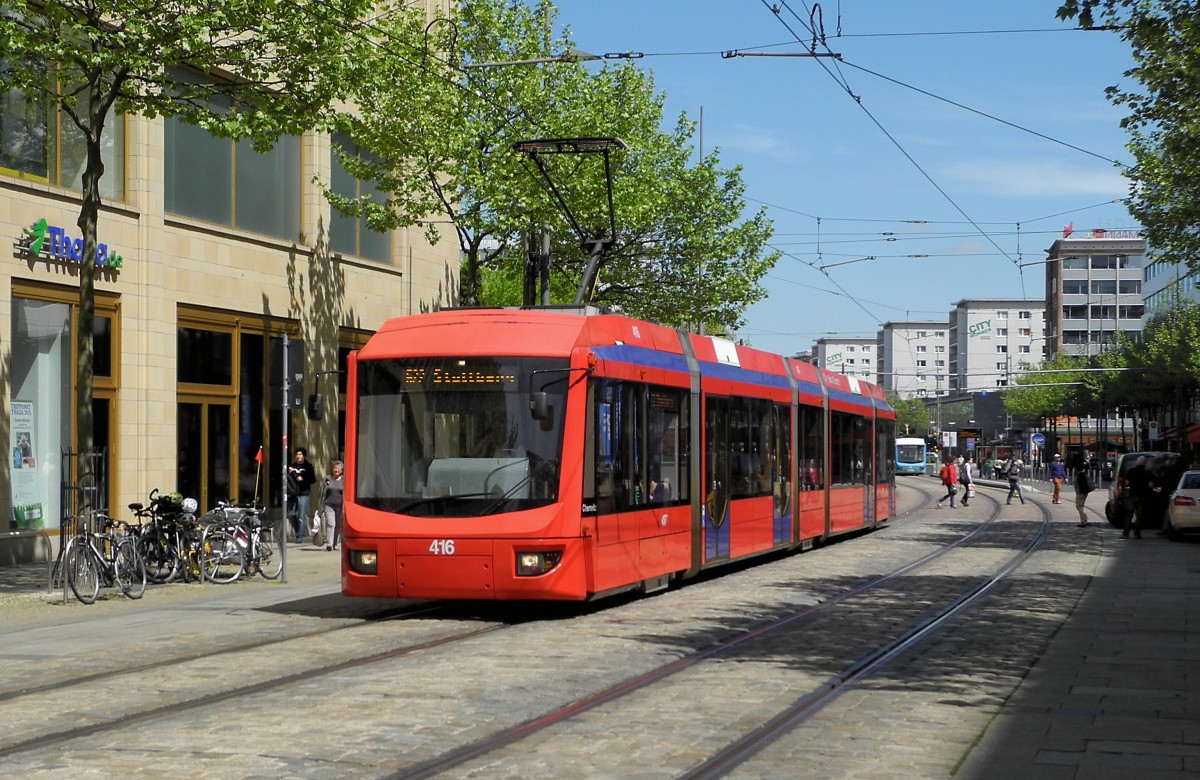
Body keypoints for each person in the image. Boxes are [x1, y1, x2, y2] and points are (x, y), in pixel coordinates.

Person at [286, 446, 316, 543]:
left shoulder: (308, 466)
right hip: (293, 493)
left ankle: (300, 536)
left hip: (304, 493)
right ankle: (298, 530)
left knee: (301, 516)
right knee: (290, 514)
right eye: (297, 454)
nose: (298, 456)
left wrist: (302, 479)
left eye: (300, 454)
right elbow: (289, 479)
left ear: (304, 456)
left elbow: (313, 479)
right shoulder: (292, 466)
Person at [1122, 455, 1153, 539]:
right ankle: (1137, 533)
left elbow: (1127, 483)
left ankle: (1126, 533)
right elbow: (1150, 485)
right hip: (1143, 496)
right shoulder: (1148, 473)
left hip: (1132, 495)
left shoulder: (1131, 471)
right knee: (1139, 516)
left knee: (1129, 514)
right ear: (1145, 464)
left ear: (1137, 462)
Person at [320, 460, 345, 551]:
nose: (336, 470)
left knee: (338, 525)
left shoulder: (344, 480)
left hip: (340, 505)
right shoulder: (328, 478)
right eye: (335, 468)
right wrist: (320, 505)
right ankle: (329, 545)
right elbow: (322, 492)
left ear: (341, 470)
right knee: (331, 524)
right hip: (328, 505)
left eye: (338, 468)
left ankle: (335, 544)